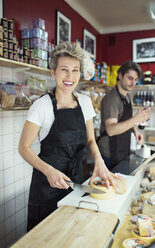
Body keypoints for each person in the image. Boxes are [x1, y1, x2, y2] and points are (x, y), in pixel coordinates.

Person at [18, 41, 118, 231]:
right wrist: (49, 171)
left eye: (75, 70)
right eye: (64, 69)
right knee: (45, 234)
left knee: (71, 230)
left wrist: (99, 161)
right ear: (53, 72)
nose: (70, 76)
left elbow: (90, 140)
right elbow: (23, 148)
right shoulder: (42, 106)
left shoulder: (86, 102)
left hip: (75, 178)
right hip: (47, 183)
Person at [98, 61, 151, 170]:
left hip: (122, 149)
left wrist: (135, 131)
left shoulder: (127, 96)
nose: (133, 83)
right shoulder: (111, 99)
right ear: (120, 75)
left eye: (136, 80)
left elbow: (126, 119)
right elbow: (111, 130)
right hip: (110, 154)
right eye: (130, 78)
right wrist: (136, 119)